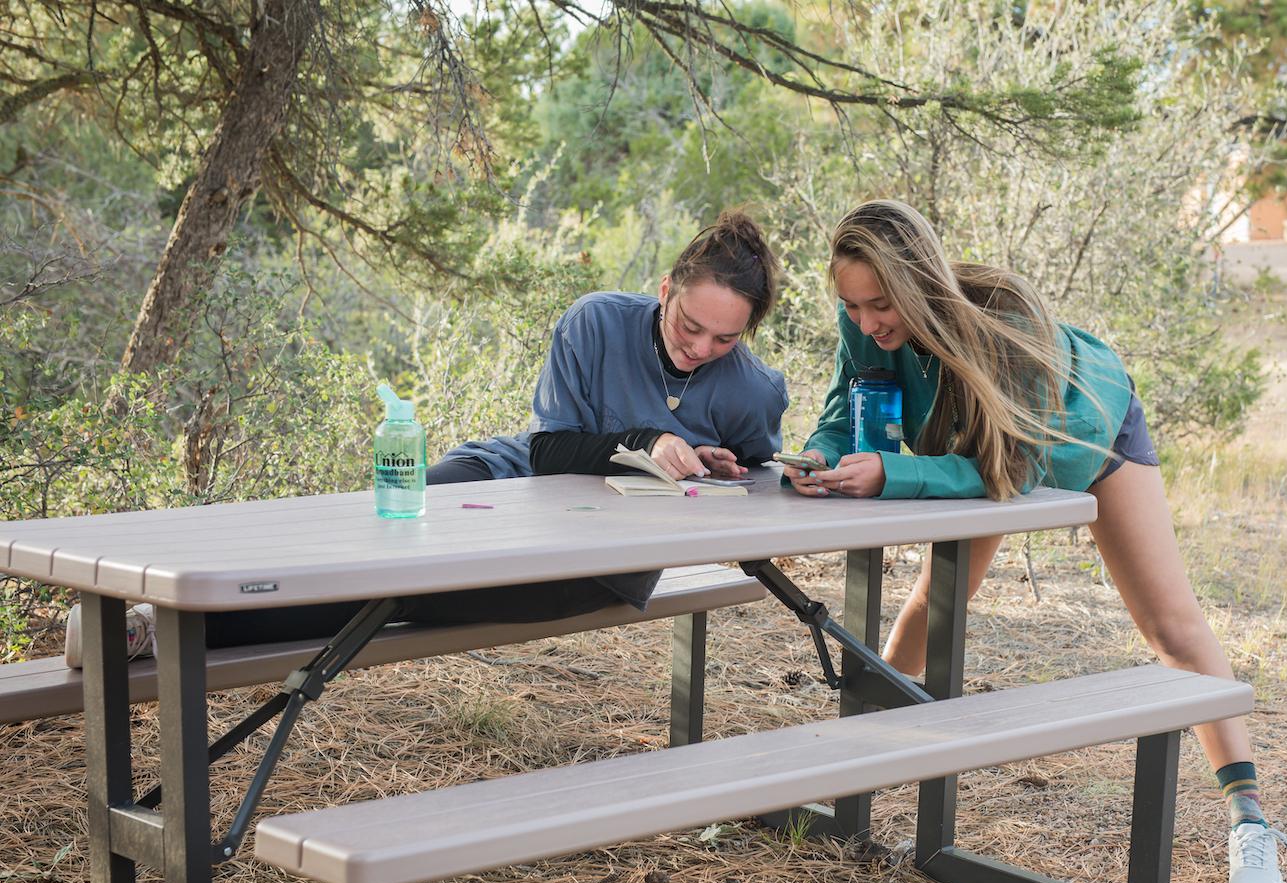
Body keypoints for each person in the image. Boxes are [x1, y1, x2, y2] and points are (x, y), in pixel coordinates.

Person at [780, 199, 1287, 883]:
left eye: (878, 303)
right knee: (939, 598)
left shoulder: (1002, 325)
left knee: (1168, 627)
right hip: (979, 442)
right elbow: (844, 412)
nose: (866, 322)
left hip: (1081, 429)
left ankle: (1249, 821)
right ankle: (851, 768)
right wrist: (817, 456)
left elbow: (1010, 475)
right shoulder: (864, 322)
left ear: (917, 281)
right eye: (851, 305)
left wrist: (890, 473)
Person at [65, 210, 787, 664]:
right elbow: (549, 448)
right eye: (687, 325)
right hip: (505, 481)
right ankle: (160, 588)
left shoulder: (752, 387)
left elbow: (756, 484)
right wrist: (647, 437)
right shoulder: (595, 320)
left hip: (599, 563)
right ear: (665, 289)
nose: (699, 347)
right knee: (369, 534)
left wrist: (716, 467)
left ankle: (166, 633)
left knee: (409, 591)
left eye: (723, 338)